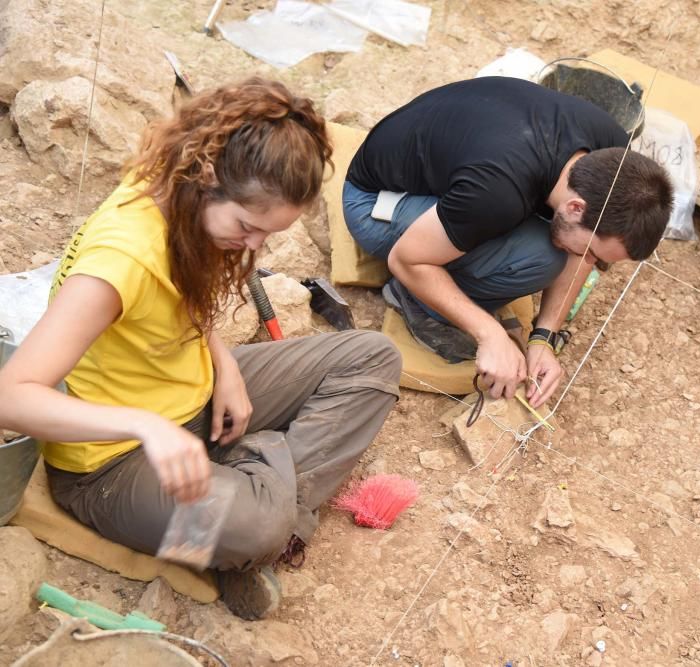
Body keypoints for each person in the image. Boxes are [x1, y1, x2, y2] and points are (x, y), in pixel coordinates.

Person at [0, 78, 401, 620]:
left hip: (194, 393)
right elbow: (12, 395)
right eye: (247, 227)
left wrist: (224, 363)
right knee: (258, 526)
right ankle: (259, 520)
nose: (254, 246)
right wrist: (147, 427)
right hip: (113, 465)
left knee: (373, 356)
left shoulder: (181, 193)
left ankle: (251, 493)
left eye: (268, 234)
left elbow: (184, 288)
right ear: (207, 178)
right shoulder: (118, 263)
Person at [342, 77, 673, 407]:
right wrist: (489, 333)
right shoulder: (496, 193)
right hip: (372, 203)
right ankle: (415, 300)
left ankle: (450, 254)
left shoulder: (611, 158)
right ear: (575, 208)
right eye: (591, 253)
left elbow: (580, 252)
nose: (586, 262)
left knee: (551, 247)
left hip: (448, 172)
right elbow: (406, 259)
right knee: (543, 258)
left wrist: (544, 338)